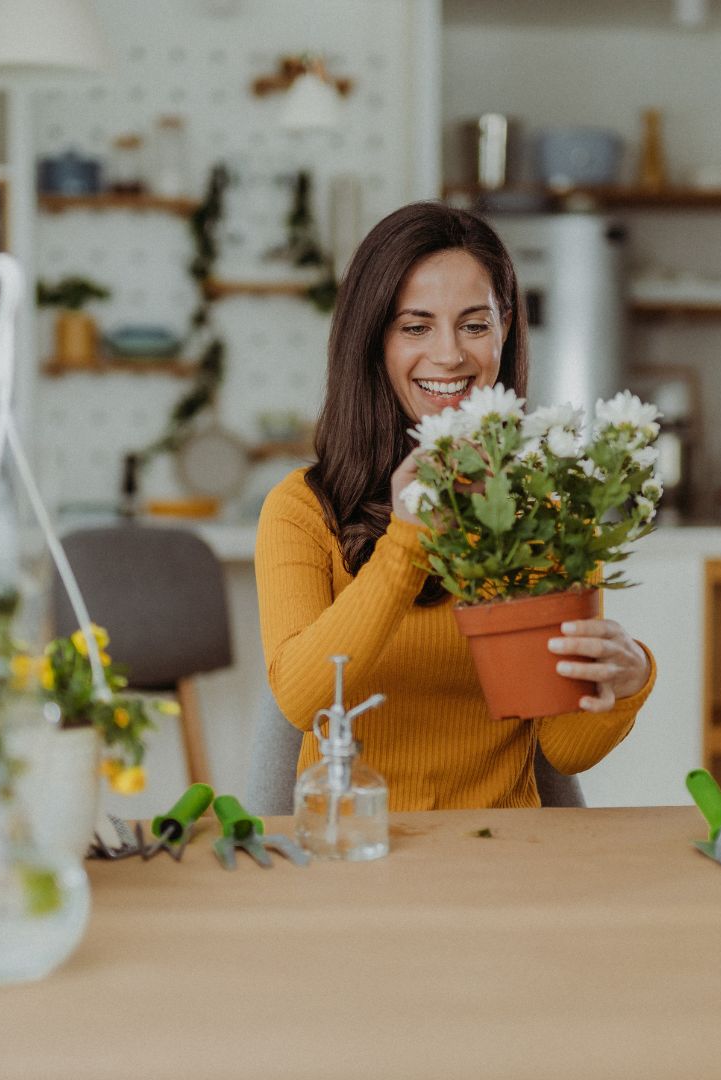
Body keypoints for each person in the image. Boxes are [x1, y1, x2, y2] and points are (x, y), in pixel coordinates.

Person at [255, 202, 654, 810]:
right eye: (416, 327)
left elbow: (565, 748)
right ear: (374, 341)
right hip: (355, 847)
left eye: (473, 325)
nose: (449, 355)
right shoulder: (303, 510)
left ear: (505, 329)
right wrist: (408, 539)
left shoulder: (546, 507)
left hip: (502, 851)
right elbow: (302, 699)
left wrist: (628, 682)